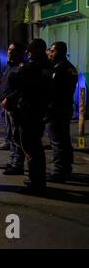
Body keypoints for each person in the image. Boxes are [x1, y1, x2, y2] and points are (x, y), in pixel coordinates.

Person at [2, 38, 53, 195]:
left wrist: (9, 99)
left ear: (37, 50)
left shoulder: (35, 67)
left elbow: (23, 85)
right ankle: (36, 180)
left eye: (30, 49)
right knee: (32, 147)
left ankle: (36, 185)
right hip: (35, 111)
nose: (27, 52)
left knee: (32, 149)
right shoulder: (44, 66)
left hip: (30, 112)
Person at [45, 41, 78, 183]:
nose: (50, 54)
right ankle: (66, 169)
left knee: (57, 141)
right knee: (64, 140)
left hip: (56, 109)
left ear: (60, 51)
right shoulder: (71, 67)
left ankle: (59, 172)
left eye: (52, 51)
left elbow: (52, 91)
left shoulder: (58, 69)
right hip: (65, 107)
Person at [0, 43, 26, 175]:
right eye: (9, 49)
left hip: (16, 108)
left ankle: (17, 164)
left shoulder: (21, 68)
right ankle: (13, 160)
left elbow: (20, 89)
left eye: (13, 50)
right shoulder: (9, 67)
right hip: (7, 108)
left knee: (17, 136)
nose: (10, 52)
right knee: (11, 136)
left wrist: (8, 99)